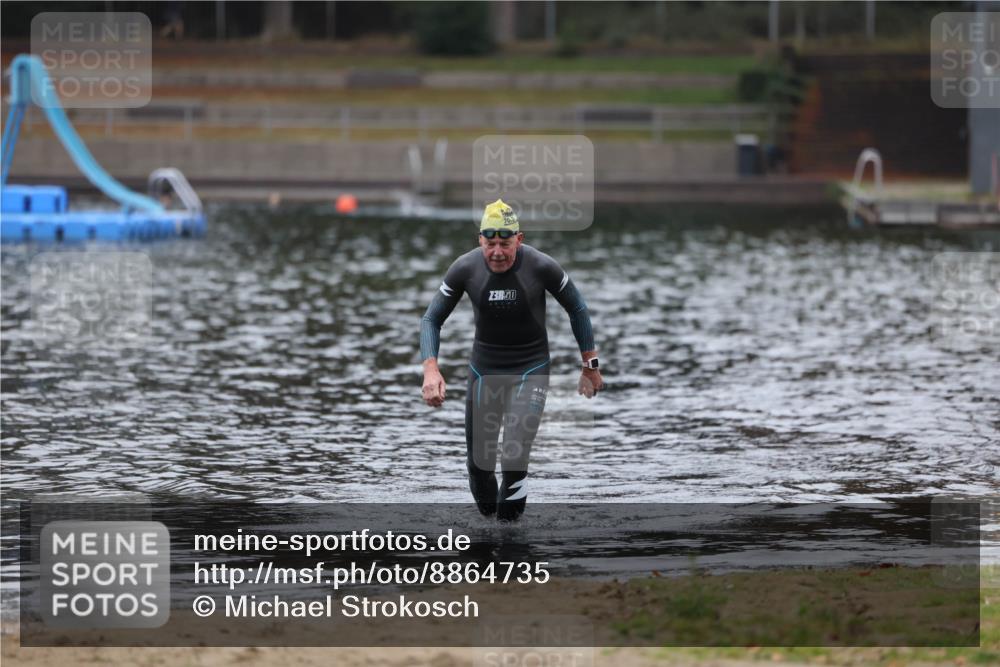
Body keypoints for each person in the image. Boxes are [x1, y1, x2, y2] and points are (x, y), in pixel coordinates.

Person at [420, 199, 603, 520]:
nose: (497, 253)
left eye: (505, 244)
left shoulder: (542, 266)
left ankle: (513, 545)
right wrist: (431, 369)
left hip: (530, 369)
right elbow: (431, 319)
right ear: (480, 240)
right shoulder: (464, 268)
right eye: (490, 244)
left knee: (513, 458)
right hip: (484, 370)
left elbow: (577, 308)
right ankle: (488, 542)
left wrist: (590, 366)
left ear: (520, 239)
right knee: (479, 468)